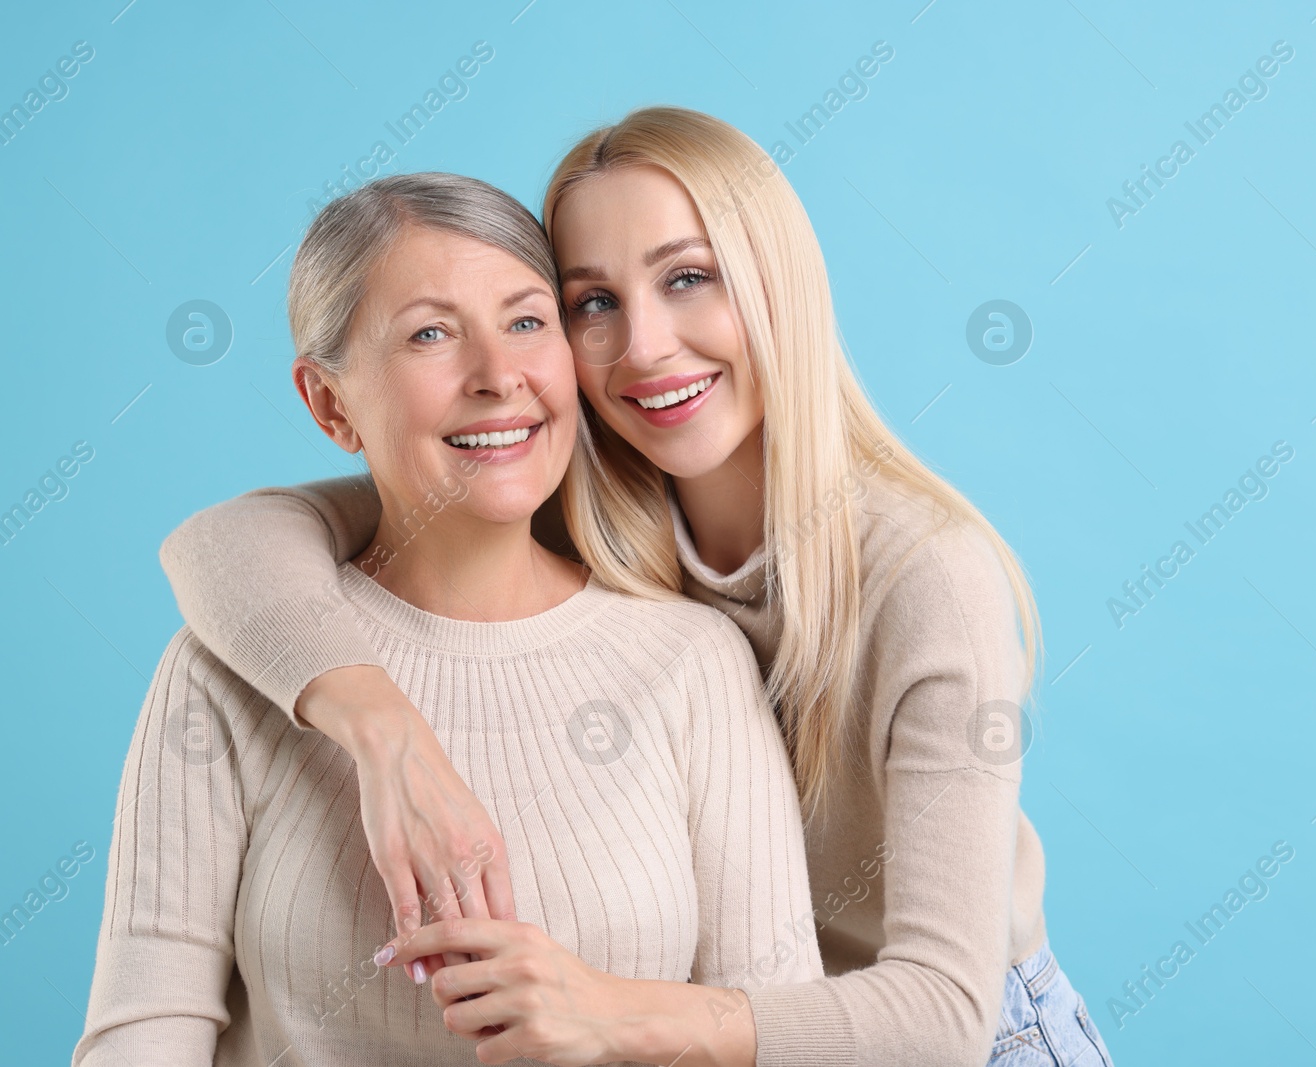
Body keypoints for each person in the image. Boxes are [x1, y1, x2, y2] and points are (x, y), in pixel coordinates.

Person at [157, 107, 1115, 1067]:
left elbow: (943, 1016)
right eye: (592, 303)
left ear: (778, 284)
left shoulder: (926, 576)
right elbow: (225, 543)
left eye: (688, 278)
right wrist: (387, 734)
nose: (645, 345)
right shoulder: (573, 503)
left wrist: (609, 1009)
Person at [73, 172, 821, 1067]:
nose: (499, 376)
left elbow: (781, 1030)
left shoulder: (692, 663)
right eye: (431, 333)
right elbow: (142, 1033)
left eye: (527, 321)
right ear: (329, 403)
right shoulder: (228, 667)